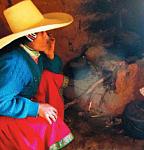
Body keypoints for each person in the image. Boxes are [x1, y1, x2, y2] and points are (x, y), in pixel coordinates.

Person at [0, 0, 74, 150]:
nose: (47, 36)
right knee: (47, 125)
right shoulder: (16, 63)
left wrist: (50, 55)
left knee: (48, 77)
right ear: (29, 37)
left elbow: (53, 71)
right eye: (42, 33)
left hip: (16, 102)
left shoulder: (32, 54)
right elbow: (1, 103)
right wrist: (36, 109)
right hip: (3, 116)